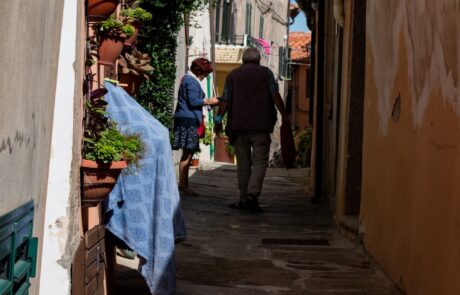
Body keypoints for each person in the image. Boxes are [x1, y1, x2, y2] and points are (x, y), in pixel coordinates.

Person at [214, 47, 290, 212]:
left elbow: (225, 100)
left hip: (238, 126)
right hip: (261, 126)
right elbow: (275, 95)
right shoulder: (266, 74)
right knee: (260, 162)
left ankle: (243, 198)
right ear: (259, 59)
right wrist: (284, 115)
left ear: (243, 60)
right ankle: (252, 194)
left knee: (243, 163)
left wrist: (218, 120)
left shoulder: (232, 76)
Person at [173, 58, 219, 196]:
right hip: (188, 120)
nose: (206, 77)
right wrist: (208, 100)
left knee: (189, 152)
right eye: (205, 74)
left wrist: (209, 104)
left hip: (188, 118)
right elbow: (193, 102)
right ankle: (183, 185)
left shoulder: (189, 80)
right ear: (200, 72)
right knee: (188, 153)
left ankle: (184, 184)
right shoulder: (191, 81)